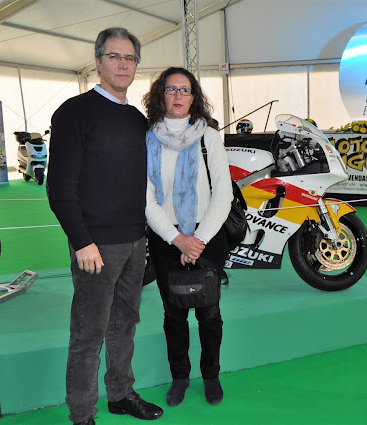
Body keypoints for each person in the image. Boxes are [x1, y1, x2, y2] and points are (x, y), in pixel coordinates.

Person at [47, 27, 163, 425]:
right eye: (114, 56)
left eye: (129, 58)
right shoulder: (74, 112)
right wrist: (82, 242)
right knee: (88, 333)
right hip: (95, 245)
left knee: (124, 324)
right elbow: (59, 186)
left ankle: (120, 394)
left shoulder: (137, 119)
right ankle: (82, 414)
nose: (122, 64)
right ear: (98, 61)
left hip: (134, 240)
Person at [143, 67, 233, 407]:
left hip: (207, 237)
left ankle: (211, 375)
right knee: (174, 315)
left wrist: (197, 240)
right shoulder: (147, 139)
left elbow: (223, 195)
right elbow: (147, 200)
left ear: (194, 97)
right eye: (171, 89)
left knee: (209, 314)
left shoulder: (209, 137)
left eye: (184, 90)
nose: (178, 96)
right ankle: (179, 376)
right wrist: (176, 239)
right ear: (160, 95)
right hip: (166, 240)